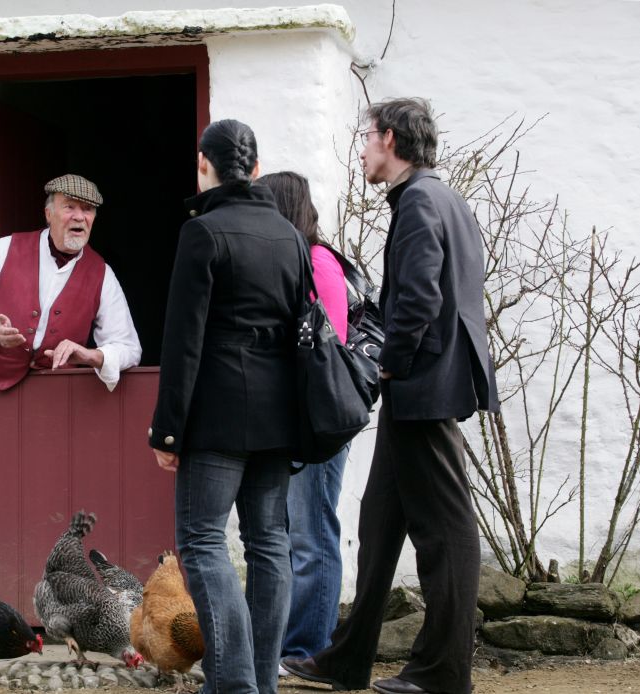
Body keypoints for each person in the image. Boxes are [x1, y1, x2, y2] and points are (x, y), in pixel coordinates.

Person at [282, 98, 499, 694]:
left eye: (366, 138)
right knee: (379, 527)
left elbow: (420, 300)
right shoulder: (439, 198)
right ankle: (347, 660)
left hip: (422, 387)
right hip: (421, 387)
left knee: (445, 530)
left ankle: (443, 673)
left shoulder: (422, 201)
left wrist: (388, 365)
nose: (361, 151)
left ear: (392, 139)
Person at [150, 120, 313, 694]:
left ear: (204, 164)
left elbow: (183, 341)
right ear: (257, 169)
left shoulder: (202, 232)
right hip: (279, 417)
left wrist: (167, 432)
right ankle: (260, 683)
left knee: (202, 541)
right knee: (269, 545)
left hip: (218, 418)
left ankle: (237, 684)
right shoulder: (290, 236)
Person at [257, 171, 350, 668]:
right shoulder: (295, 262)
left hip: (318, 422)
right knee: (294, 533)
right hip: (294, 420)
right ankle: (289, 643)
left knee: (312, 534)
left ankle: (307, 648)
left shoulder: (318, 262)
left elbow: (325, 351)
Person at [0, 174, 141, 391]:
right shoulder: (4, 248)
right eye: (69, 207)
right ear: (48, 214)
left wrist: (90, 355)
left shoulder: (102, 274)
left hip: (59, 394)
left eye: (87, 209)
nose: (79, 217)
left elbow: (128, 348)